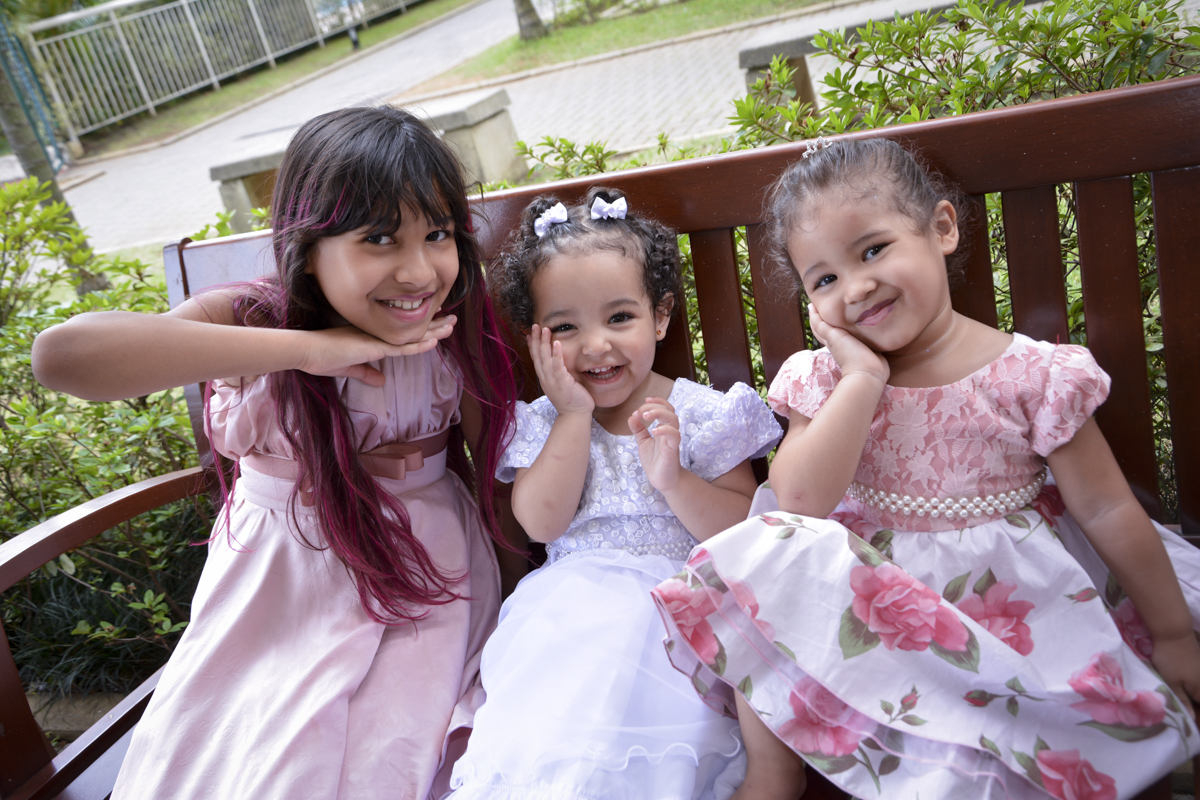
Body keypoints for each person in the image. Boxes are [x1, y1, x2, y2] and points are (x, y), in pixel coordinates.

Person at [651, 138, 1200, 800]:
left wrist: (1171, 632)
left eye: (873, 249)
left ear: (941, 228)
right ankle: (774, 772)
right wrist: (861, 379)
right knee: (764, 547)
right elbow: (794, 502)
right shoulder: (822, 380)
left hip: (1014, 607)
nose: (855, 287)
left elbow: (1109, 509)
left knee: (1043, 737)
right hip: (881, 613)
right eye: (823, 279)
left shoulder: (1031, 376)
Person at [30, 106, 519, 800]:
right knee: (233, 762)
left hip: (422, 573)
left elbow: (493, 483)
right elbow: (64, 358)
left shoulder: (451, 328)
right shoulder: (252, 319)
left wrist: (523, 605)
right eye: (379, 237)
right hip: (273, 583)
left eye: (437, 233)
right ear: (307, 243)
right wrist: (312, 351)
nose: (418, 270)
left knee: (384, 762)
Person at [445, 188, 784, 800]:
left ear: (660, 316)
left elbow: (741, 528)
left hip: (679, 600)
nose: (595, 345)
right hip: (571, 604)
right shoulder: (547, 423)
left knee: (637, 714)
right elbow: (541, 524)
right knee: (567, 710)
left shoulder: (701, 415)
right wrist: (573, 416)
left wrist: (674, 478)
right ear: (537, 340)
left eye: (619, 317)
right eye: (566, 327)